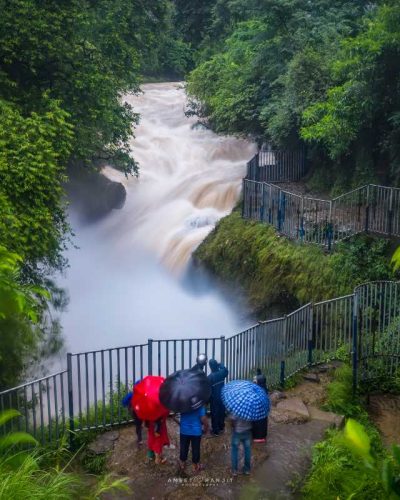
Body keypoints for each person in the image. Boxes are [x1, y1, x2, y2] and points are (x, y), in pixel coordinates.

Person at [179, 405, 209, 473]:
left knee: (183, 447)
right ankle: (196, 464)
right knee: (196, 448)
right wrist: (206, 428)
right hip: (196, 431)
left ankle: (182, 463)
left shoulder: (182, 404)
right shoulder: (199, 405)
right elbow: (203, 419)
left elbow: (175, 414)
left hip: (184, 430)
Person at [207, 359, 228, 436]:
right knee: (222, 411)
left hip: (214, 398)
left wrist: (207, 401)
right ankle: (221, 426)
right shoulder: (222, 373)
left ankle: (216, 430)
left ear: (210, 367)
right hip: (222, 396)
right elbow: (226, 370)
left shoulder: (209, 378)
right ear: (216, 365)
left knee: (215, 413)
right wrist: (220, 365)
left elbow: (208, 391)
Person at [229, 412, 252, 476]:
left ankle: (234, 471)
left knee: (234, 451)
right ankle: (247, 470)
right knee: (247, 450)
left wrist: (233, 427)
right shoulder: (251, 408)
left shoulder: (237, 407)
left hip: (237, 431)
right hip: (247, 431)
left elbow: (232, 420)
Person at [252, 368, 269, 443]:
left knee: (258, 423)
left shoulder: (259, 392)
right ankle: (262, 436)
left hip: (258, 411)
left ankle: (258, 437)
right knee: (263, 423)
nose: (254, 381)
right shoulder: (263, 388)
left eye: (255, 381)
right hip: (263, 412)